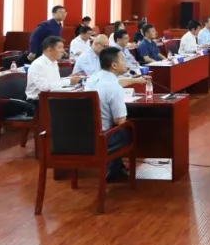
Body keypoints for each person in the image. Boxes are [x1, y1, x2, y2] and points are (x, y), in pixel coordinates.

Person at [84, 46, 132, 183]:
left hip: (83, 136)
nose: (125, 62)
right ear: (114, 65)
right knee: (126, 129)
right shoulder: (114, 87)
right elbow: (120, 120)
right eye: (123, 60)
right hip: (102, 138)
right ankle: (115, 170)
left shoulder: (92, 79)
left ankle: (116, 168)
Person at [25, 36, 82, 100]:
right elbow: (44, 87)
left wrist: (69, 78)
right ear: (49, 50)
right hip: (39, 101)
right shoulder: (38, 65)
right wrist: (69, 81)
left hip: (52, 97)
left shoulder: (54, 62)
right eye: (60, 47)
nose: (63, 50)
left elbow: (55, 82)